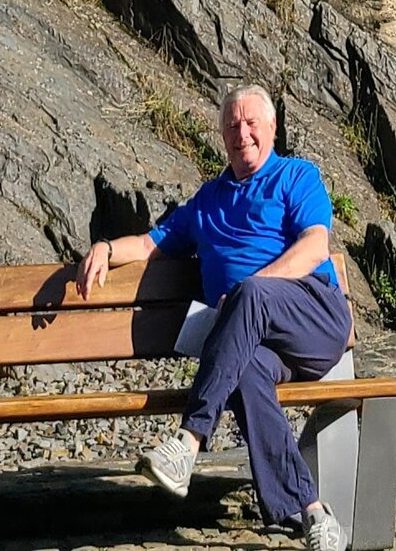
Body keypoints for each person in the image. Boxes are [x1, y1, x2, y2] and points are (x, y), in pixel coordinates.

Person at [72, 81, 353, 551]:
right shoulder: (207, 202)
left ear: (272, 128)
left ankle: (188, 441)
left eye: (251, 123)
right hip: (256, 343)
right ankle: (313, 513)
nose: (242, 133)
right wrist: (103, 245)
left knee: (250, 295)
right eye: (232, 126)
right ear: (222, 136)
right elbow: (147, 245)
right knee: (245, 376)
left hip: (314, 318)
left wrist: (254, 289)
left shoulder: (297, 177)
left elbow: (313, 246)